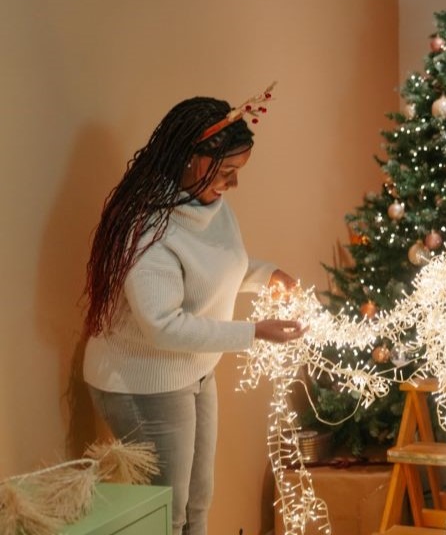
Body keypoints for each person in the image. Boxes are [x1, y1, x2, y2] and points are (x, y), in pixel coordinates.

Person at [80, 86, 305, 535]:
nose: (233, 184)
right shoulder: (147, 228)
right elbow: (164, 326)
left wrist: (268, 274)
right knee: (170, 514)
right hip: (144, 380)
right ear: (190, 159)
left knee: (199, 501)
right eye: (226, 171)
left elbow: (214, 268)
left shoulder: (210, 205)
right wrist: (253, 332)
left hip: (194, 370)